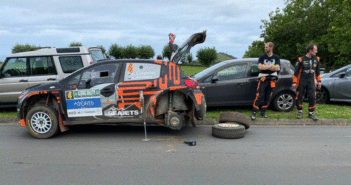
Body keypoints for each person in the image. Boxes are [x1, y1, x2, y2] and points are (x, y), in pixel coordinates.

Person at [292, 43, 321, 121]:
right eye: (315, 49)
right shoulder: (301, 59)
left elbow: (317, 72)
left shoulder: (317, 59)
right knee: (300, 95)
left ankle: (311, 113)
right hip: (302, 79)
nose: (316, 51)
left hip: (311, 80)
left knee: (312, 96)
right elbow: (296, 72)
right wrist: (294, 82)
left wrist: (319, 81)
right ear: (310, 50)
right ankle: (300, 111)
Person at [252, 42, 280, 120]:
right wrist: (270, 66)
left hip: (272, 80)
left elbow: (277, 67)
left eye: (267, 47)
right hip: (263, 79)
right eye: (265, 47)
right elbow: (260, 67)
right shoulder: (262, 57)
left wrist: (266, 67)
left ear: (271, 48)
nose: (265, 48)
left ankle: (263, 112)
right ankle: (254, 112)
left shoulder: (276, 57)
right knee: (259, 95)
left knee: (268, 96)